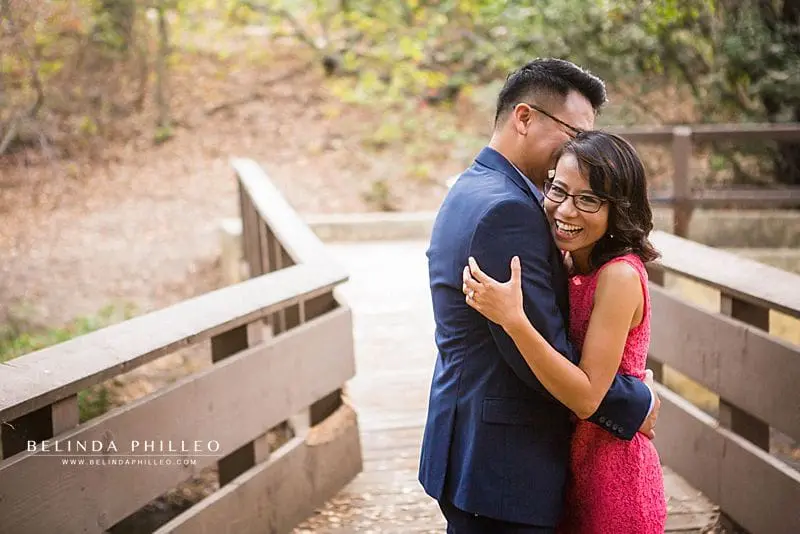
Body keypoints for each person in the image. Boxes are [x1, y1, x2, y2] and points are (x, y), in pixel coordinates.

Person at [418, 58, 660, 534]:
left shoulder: (472, 186)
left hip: (475, 449)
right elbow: (543, 354)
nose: (580, 149)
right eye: (573, 133)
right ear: (524, 117)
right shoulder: (510, 210)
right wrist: (637, 400)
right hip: (505, 463)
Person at [462, 130, 667, 533]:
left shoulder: (619, 275)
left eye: (588, 199)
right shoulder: (570, 262)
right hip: (567, 467)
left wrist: (514, 321)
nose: (565, 211)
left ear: (619, 209)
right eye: (558, 190)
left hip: (612, 475)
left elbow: (589, 396)